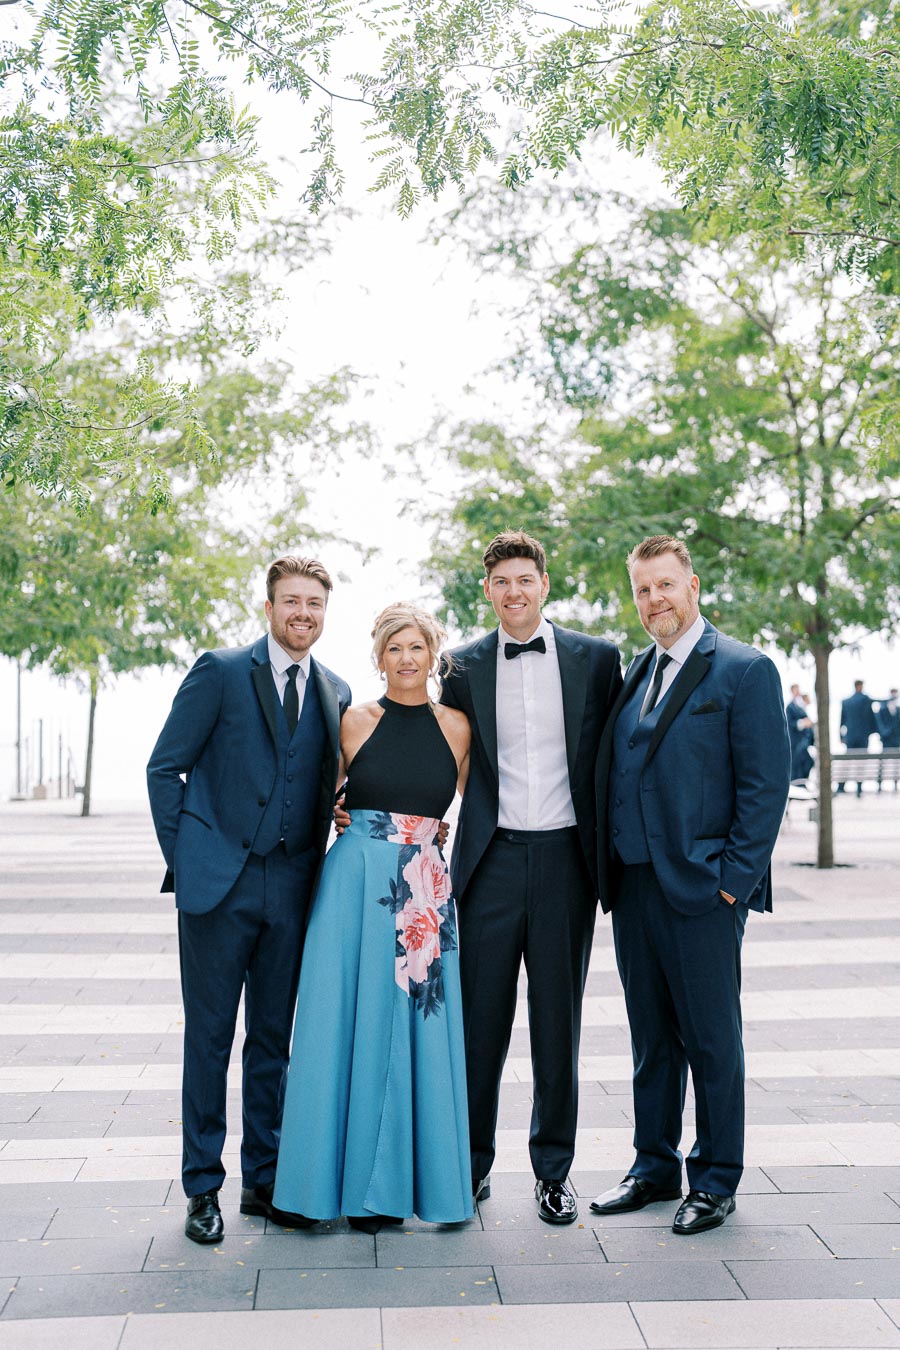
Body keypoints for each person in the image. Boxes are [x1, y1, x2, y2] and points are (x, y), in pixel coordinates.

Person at [147, 557, 351, 1244]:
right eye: (291, 601)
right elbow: (164, 766)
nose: (303, 614)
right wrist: (188, 856)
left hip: (293, 887)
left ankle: (263, 1180)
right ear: (268, 608)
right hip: (219, 886)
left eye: (314, 603)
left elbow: (333, 781)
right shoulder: (221, 670)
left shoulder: (336, 691)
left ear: (326, 611)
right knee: (209, 1039)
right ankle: (203, 1187)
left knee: (272, 1041)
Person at [590, 535, 790, 1236]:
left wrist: (732, 884)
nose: (654, 602)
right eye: (643, 590)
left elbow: (766, 789)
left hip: (704, 889)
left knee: (710, 1037)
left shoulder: (743, 669)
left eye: (665, 586)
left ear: (694, 585)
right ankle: (652, 1166)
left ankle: (714, 1179)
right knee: (651, 1038)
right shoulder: (638, 671)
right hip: (636, 884)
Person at [440, 530, 623, 1225]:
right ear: (486, 591)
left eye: (525, 579)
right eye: (501, 582)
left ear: (544, 583)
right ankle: (471, 1166)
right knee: (478, 1027)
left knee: (557, 1026)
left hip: (566, 863)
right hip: (488, 866)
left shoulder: (598, 658)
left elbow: (621, 753)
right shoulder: (458, 666)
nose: (514, 592)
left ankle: (554, 1174)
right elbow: (436, 750)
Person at [273, 604, 473, 1232]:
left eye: (417, 647)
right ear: (379, 657)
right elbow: (313, 794)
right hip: (352, 885)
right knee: (339, 1026)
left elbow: (476, 805)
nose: (406, 659)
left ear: (433, 653)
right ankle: (321, 1190)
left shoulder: (459, 727)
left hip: (423, 890)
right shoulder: (351, 721)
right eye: (394, 649)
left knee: (417, 1038)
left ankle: (396, 1192)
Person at [837, 680, 877, 796]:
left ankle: (841, 786)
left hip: (850, 737)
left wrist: (841, 736)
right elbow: (872, 718)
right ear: (860, 686)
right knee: (861, 763)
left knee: (847, 761)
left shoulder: (846, 702)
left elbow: (841, 721)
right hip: (863, 737)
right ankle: (859, 788)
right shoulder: (865, 700)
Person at [785, 684, 815, 783]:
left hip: (803, 741)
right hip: (795, 741)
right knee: (797, 764)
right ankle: (797, 783)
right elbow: (789, 723)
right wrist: (802, 723)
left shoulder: (800, 706)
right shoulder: (790, 707)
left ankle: (802, 782)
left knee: (807, 762)